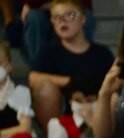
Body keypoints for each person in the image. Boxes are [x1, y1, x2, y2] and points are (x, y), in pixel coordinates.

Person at [27, 0, 113, 131]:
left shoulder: (102, 53)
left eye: (70, 15)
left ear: (83, 19)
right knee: (44, 87)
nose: (62, 21)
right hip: (63, 114)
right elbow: (33, 77)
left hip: (97, 114)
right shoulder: (49, 51)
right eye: (57, 17)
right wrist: (71, 82)